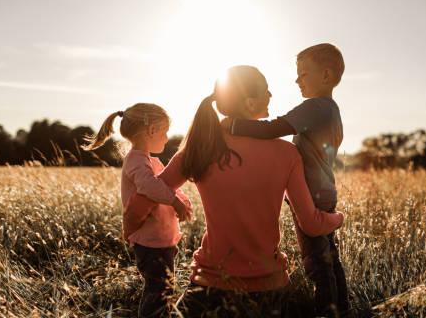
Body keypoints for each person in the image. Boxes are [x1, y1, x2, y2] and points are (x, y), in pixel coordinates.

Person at [126, 65, 344, 317]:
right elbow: (312, 224)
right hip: (271, 290)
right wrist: (339, 218)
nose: (271, 95)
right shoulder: (287, 153)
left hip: (208, 287)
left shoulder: (199, 149)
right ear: (250, 103)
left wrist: (130, 228)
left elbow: (144, 199)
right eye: (265, 90)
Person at [223, 43, 349, 317]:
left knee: (318, 265)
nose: (297, 79)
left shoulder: (315, 107)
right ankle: (343, 310)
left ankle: (327, 312)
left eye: (303, 74)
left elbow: (274, 128)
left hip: (312, 196)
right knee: (330, 260)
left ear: (326, 76)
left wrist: (233, 125)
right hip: (324, 193)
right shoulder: (331, 109)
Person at [83, 103, 193, 318]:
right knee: (158, 292)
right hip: (150, 243)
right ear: (151, 130)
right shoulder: (136, 160)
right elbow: (149, 186)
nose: (167, 137)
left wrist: (181, 199)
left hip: (161, 240)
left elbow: (165, 185)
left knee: (165, 290)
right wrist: (175, 202)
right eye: (165, 130)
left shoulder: (149, 160)